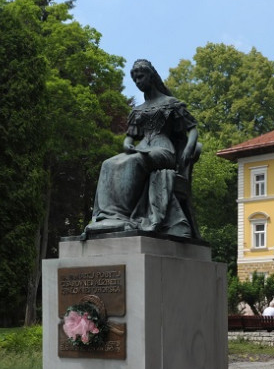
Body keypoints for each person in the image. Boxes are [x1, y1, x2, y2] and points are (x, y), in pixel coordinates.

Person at [84, 59, 200, 238]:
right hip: (142, 147)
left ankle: (121, 214)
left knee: (137, 161)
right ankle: (108, 216)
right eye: (135, 79)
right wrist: (127, 144)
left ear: (151, 76)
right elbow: (130, 137)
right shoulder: (138, 110)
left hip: (163, 149)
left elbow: (192, 128)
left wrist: (189, 148)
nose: (138, 82)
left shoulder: (170, 103)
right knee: (108, 164)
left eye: (141, 77)